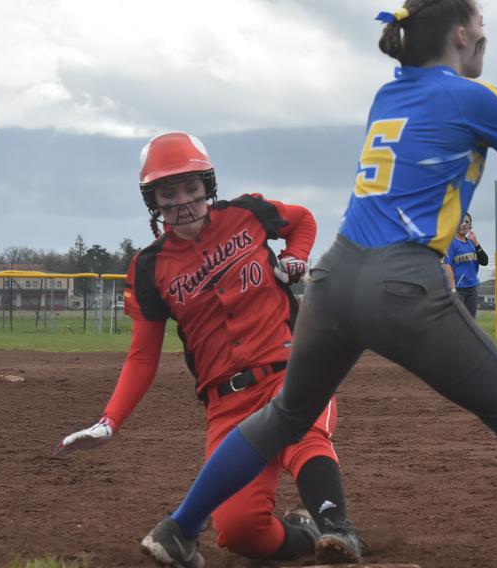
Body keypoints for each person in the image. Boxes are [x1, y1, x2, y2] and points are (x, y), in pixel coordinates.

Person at [141, 2, 497, 567]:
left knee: (285, 416)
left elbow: (443, 120)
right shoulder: (473, 98)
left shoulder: (390, 94)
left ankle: (179, 528)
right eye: (480, 28)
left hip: (334, 279)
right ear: (460, 34)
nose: (485, 37)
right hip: (402, 283)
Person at [54, 132, 357, 565]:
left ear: (207, 185)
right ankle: (308, 537)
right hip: (226, 403)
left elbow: (303, 220)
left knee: (303, 433)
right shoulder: (150, 267)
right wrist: (110, 420)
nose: (182, 201)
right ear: (152, 200)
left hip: (288, 372)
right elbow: (142, 356)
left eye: (191, 188)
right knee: (239, 531)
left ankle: (338, 529)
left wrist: (296, 255)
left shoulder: (246, 213)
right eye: (168, 191)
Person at [443, 213, 488, 316]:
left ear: (470, 226)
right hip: (458, 290)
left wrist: (476, 243)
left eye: (467, 222)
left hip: (472, 289)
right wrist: (452, 289)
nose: (464, 224)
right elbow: (446, 266)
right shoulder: (451, 243)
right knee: (460, 321)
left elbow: (485, 262)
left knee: (471, 321)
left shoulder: (472, 243)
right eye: (461, 221)